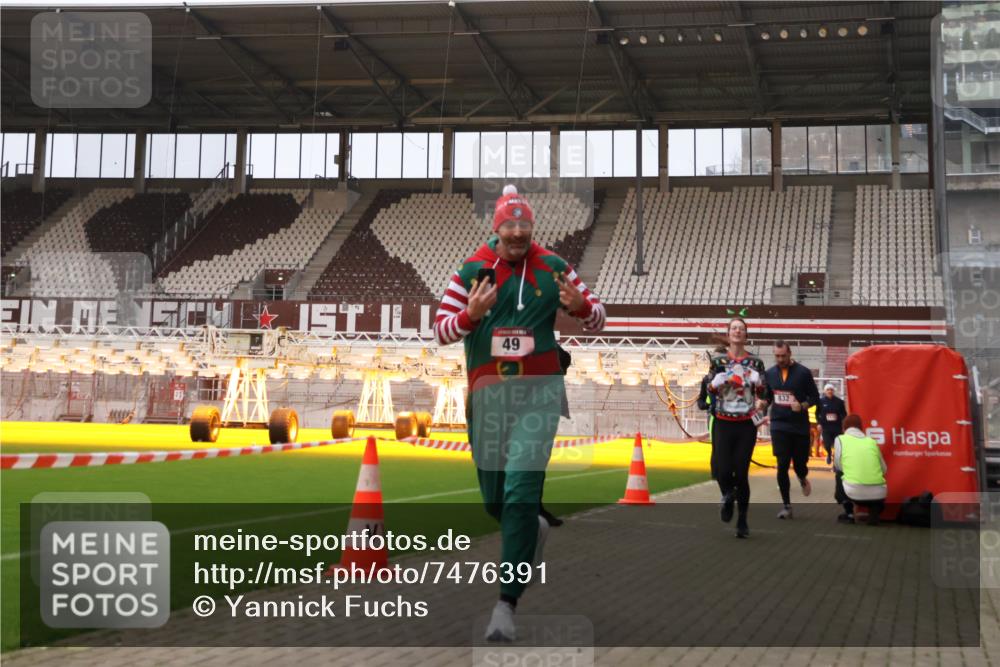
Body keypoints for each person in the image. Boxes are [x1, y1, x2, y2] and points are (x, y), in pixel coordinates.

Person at [433, 184, 606, 642]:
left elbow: (600, 317)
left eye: (524, 225)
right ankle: (533, 529)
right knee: (498, 501)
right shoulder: (471, 269)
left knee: (521, 488)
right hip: (488, 398)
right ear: (497, 228)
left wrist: (584, 307)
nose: (516, 232)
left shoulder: (554, 267)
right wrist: (469, 316)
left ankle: (505, 605)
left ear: (533, 228)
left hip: (540, 394)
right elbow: (440, 331)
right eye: (509, 225)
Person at [706, 319, 770, 538]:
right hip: (723, 422)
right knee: (722, 471)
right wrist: (713, 385)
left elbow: (764, 394)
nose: (737, 332)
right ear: (728, 333)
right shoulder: (718, 361)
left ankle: (742, 520)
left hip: (745, 424)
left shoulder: (756, 363)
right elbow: (709, 388)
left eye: (741, 329)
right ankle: (727, 497)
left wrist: (760, 394)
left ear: (746, 335)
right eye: (734, 328)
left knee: (741, 473)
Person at [764, 341, 820, 520]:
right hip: (779, 425)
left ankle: (803, 478)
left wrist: (802, 405)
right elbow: (767, 397)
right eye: (777, 356)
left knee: (799, 465)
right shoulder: (770, 373)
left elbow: (815, 397)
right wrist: (762, 404)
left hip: (799, 426)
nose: (780, 359)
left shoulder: (803, 373)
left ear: (790, 354)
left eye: (783, 356)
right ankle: (786, 506)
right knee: (781, 464)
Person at [833, 414, 887, 525]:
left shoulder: (840, 439)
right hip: (879, 495)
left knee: (838, 474)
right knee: (877, 478)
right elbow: (884, 469)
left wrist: (850, 469)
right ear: (861, 427)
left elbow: (838, 465)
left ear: (844, 427)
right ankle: (874, 512)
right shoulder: (871, 441)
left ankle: (849, 514)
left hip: (854, 493)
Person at [817, 383, 848, 465]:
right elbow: (817, 413)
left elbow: (844, 414)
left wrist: (843, 423)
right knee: (827, 444)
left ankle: (836, 459)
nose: (829, 391)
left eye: (831, 389)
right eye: (828, 390)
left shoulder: (839, 402)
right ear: (825, 391)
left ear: (833, 391)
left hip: (837, 427)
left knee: (838, 444)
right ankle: (829, 454)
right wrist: (819, 423)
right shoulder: (820, 401)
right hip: (826, 427)